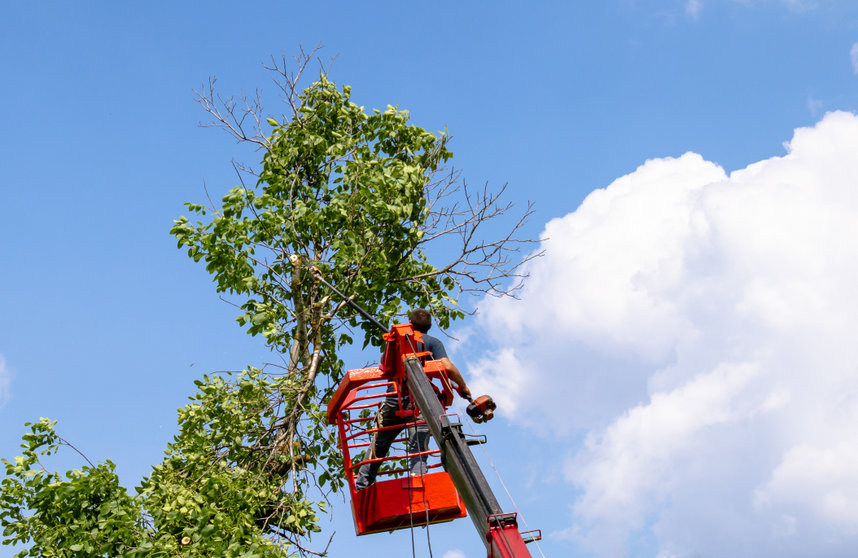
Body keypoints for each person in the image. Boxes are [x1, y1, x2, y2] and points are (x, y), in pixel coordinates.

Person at [354, 308, 471, 490]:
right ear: (430, 326)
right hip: (420, 402)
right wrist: (462, 386)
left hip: (394, 399)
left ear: (409, 322)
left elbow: (385, 362)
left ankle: (362, 486)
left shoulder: (396, 343)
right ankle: (419, 483)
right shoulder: (432, 342)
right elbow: (446, 366)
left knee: (379, 445)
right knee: (419, 446)